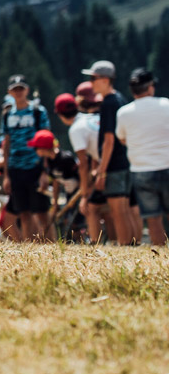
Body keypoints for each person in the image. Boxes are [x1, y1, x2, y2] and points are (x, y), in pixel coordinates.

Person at [84, 60, 137, 245]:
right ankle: (132, 245)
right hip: (125, 160)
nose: (91, 83)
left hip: (113, 163)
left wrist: (102, 171)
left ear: (105, 79)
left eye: (93, 78)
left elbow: (108, 140)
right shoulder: (119, 99)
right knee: (124, 209)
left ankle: (125, 247)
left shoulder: (107, 103)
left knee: (118, 211)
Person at [116, 68, 169, 246]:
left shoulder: (123, 112)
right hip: (167, 164)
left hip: (141, 169)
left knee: (153, 218)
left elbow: (122, 139)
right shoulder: (166, 104)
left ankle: (161, 256)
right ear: (151, 87)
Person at [0, 75, 52, 241]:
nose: (18, 92)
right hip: (15, 167)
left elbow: (47, 139)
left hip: (35, 166)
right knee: (24, 213)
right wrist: (6, 175)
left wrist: (45, 171)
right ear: (10, 92)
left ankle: (53, 245)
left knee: (42, 212)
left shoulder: (38, 111)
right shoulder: (7, 114)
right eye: (15, 89)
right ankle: (30, 247)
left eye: (21, 88)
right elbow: (6, 144)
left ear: (27, 90)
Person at [55, 92, 106, 243]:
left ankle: (96, 244)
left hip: (108, 166)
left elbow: (83, 164)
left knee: (90, 206)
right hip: (117, 162)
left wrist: (84, 194)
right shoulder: (92, 117)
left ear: (60, 115)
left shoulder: (76, 128)